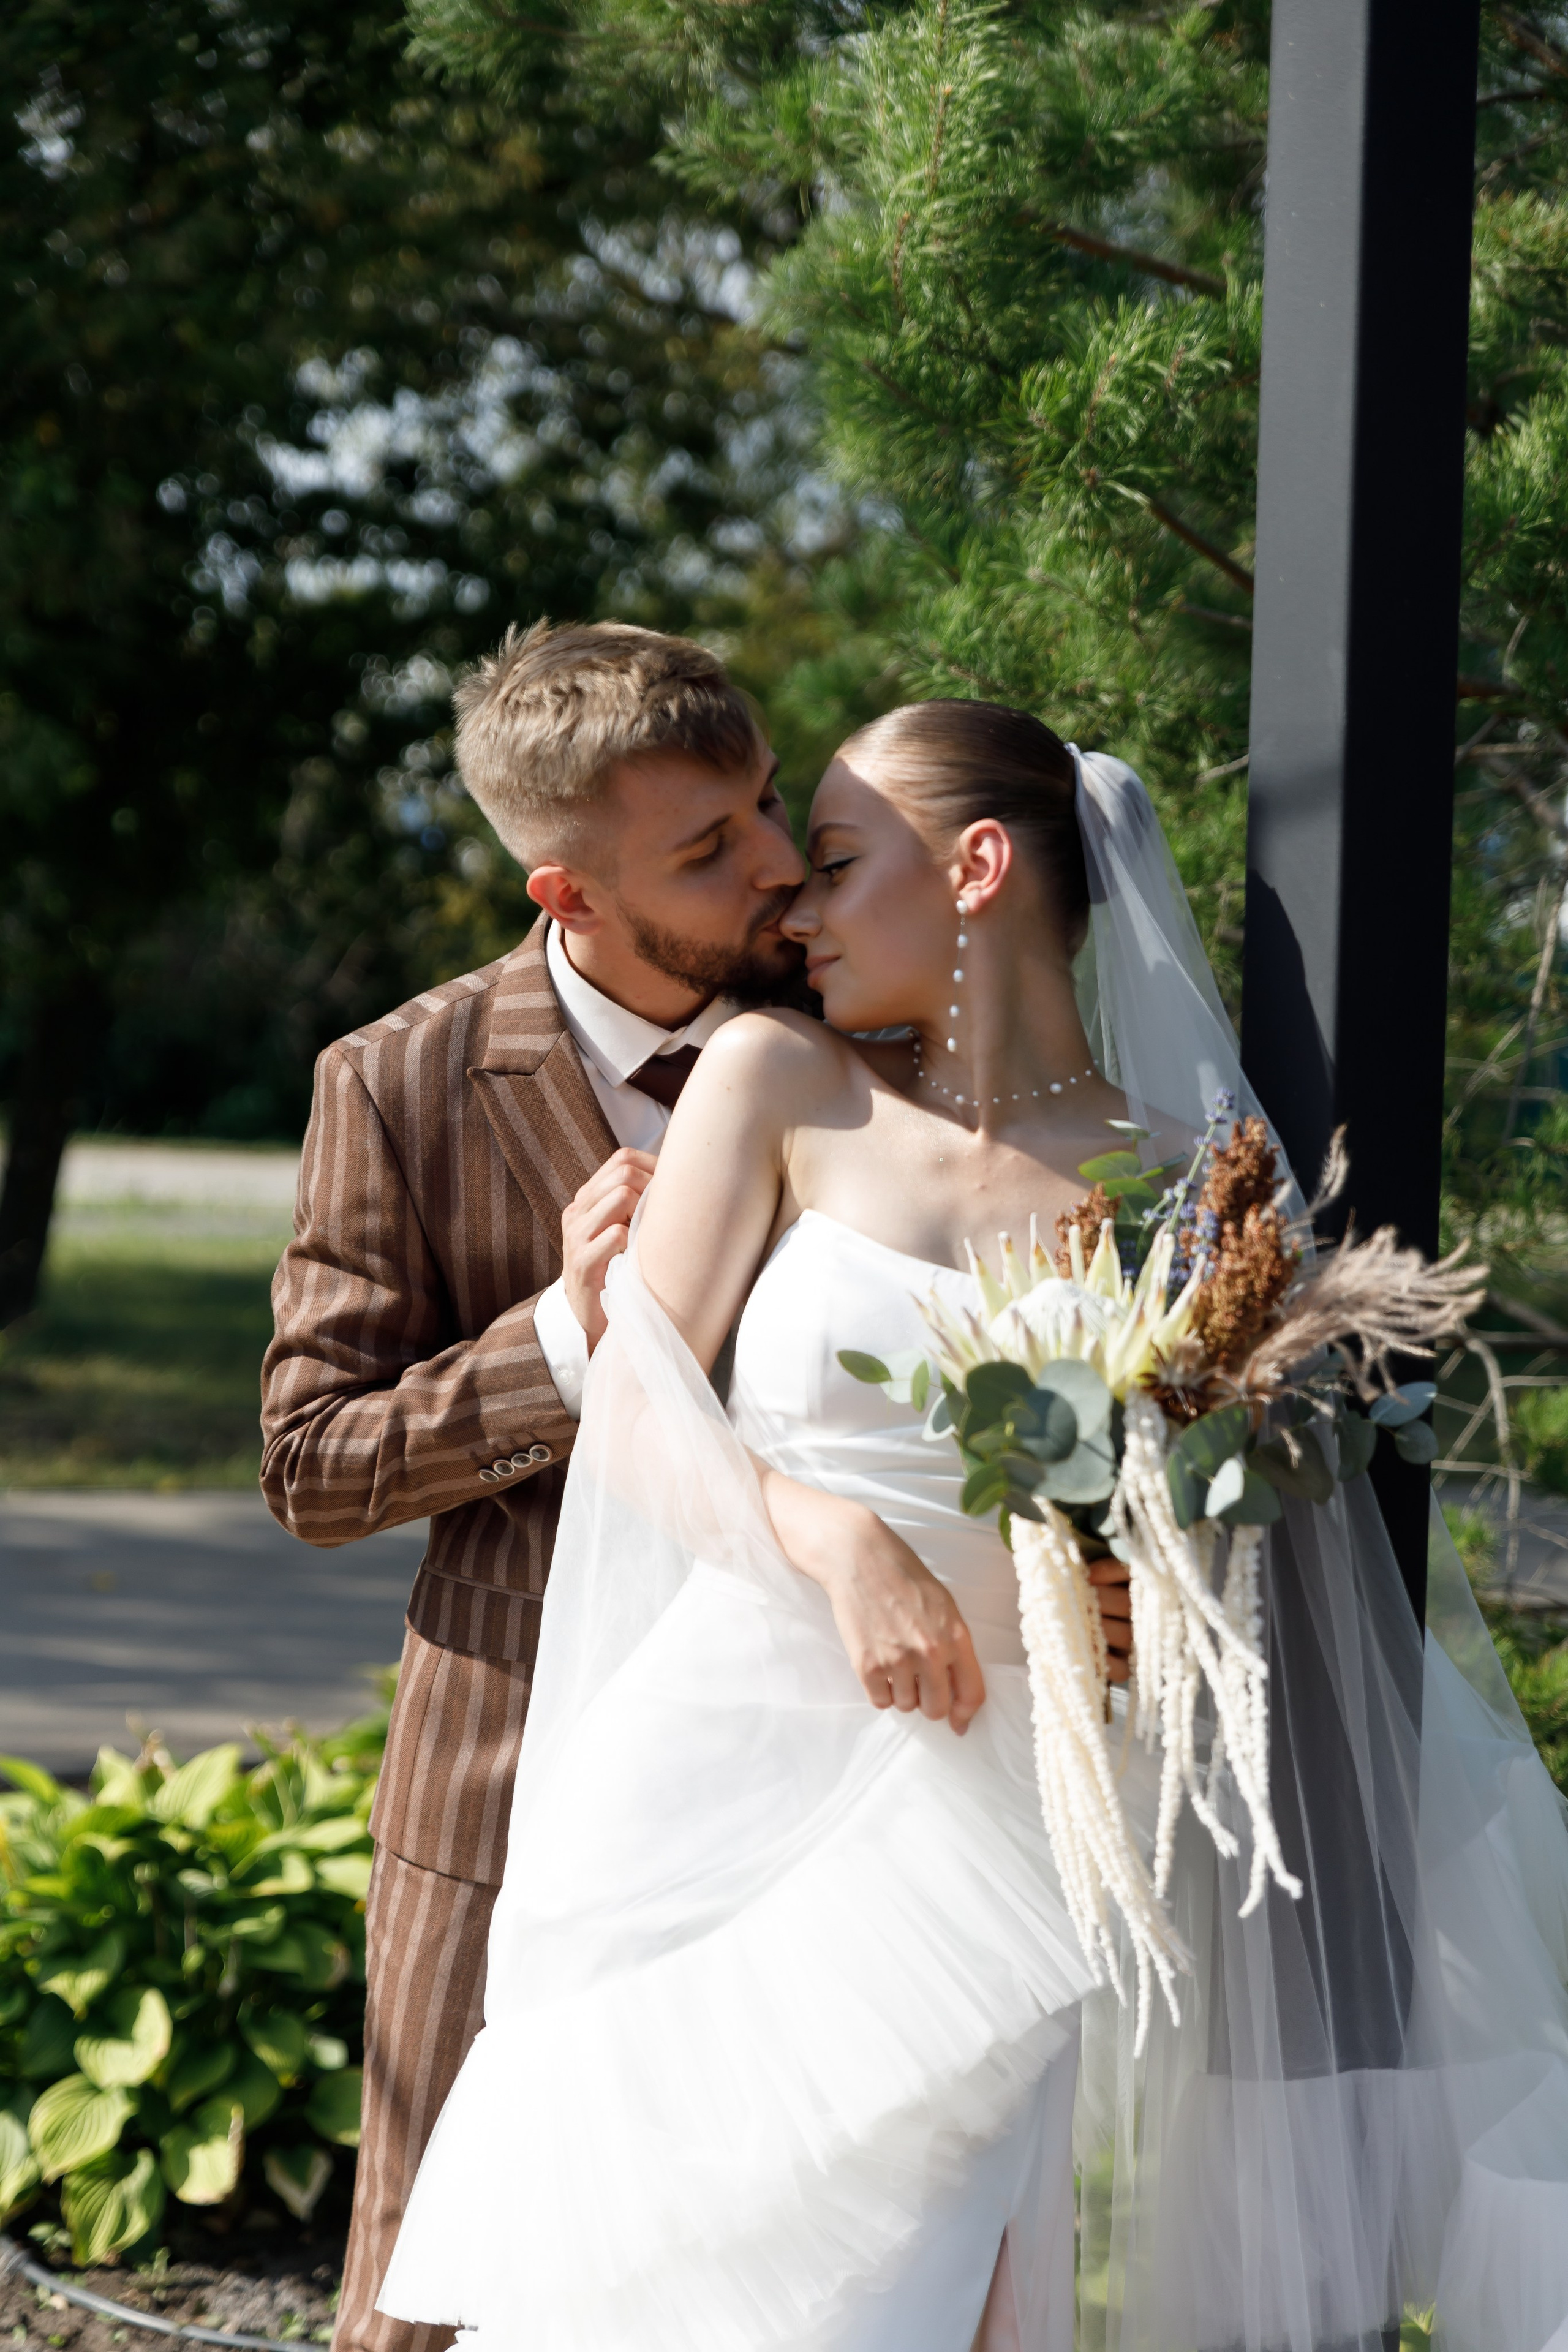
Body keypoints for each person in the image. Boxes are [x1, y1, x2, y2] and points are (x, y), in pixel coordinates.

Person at [379, 699, 1568, 2352]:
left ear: (979, 867)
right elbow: (638, 1410)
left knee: (902, 2299)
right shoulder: (779, 1082)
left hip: (999, 1811)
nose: (793, 906)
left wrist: (1154, 1569)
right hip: (717, 1776)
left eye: (838, 862)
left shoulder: (1188, 1185)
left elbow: (1225, 1515)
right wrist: (830, 1536)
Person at [260, 619, 812, 2352]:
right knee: (431, 2282)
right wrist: (566, 1343)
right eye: (708, 848)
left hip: (809, 1764)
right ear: (567, 896)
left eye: (768, 803)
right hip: (508, 1780)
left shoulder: (860, 1037)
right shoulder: (399, 1080)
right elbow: (310, 1464)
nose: (779, 864)